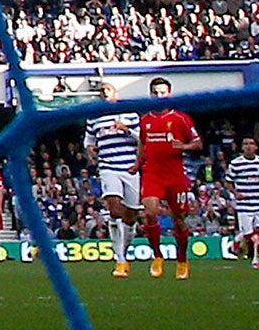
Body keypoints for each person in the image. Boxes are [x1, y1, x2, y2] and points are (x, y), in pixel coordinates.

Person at [138, 77, 200, 280]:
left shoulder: (181, 118)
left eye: (163, 92)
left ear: (169, 94)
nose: (159, 96)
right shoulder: (145, 119)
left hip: (175, 176)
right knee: (149, 213)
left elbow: (198, 143)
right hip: (153, 174)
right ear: (150, 95)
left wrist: (183, 146)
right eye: (155, 92)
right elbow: (142, 143)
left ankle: (182, 260)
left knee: (179, 220)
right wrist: (138, 163)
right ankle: (157, 256)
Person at [83, 81, 143, 277]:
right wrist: (91, 150)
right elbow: (89, 142)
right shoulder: (94, 117)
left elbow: (143, 140)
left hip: (130, 168)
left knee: (131, 214)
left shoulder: (130, 114)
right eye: (100, 92)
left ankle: (123, 251)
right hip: (108, 167)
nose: (103, 94)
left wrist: (126, 130)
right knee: (114, 207)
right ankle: (120, 260)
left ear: (115, 92)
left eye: (107, 90)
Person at [224, 136, 259, 269]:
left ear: (256, 147)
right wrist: (236, 193)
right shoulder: (235, 163)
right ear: (242, 147)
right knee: (248, 235)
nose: (248, 146)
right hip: (244, 205)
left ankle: (256, 260)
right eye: (246, 144)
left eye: (251, 144)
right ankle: (237, 241)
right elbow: (228, 182)